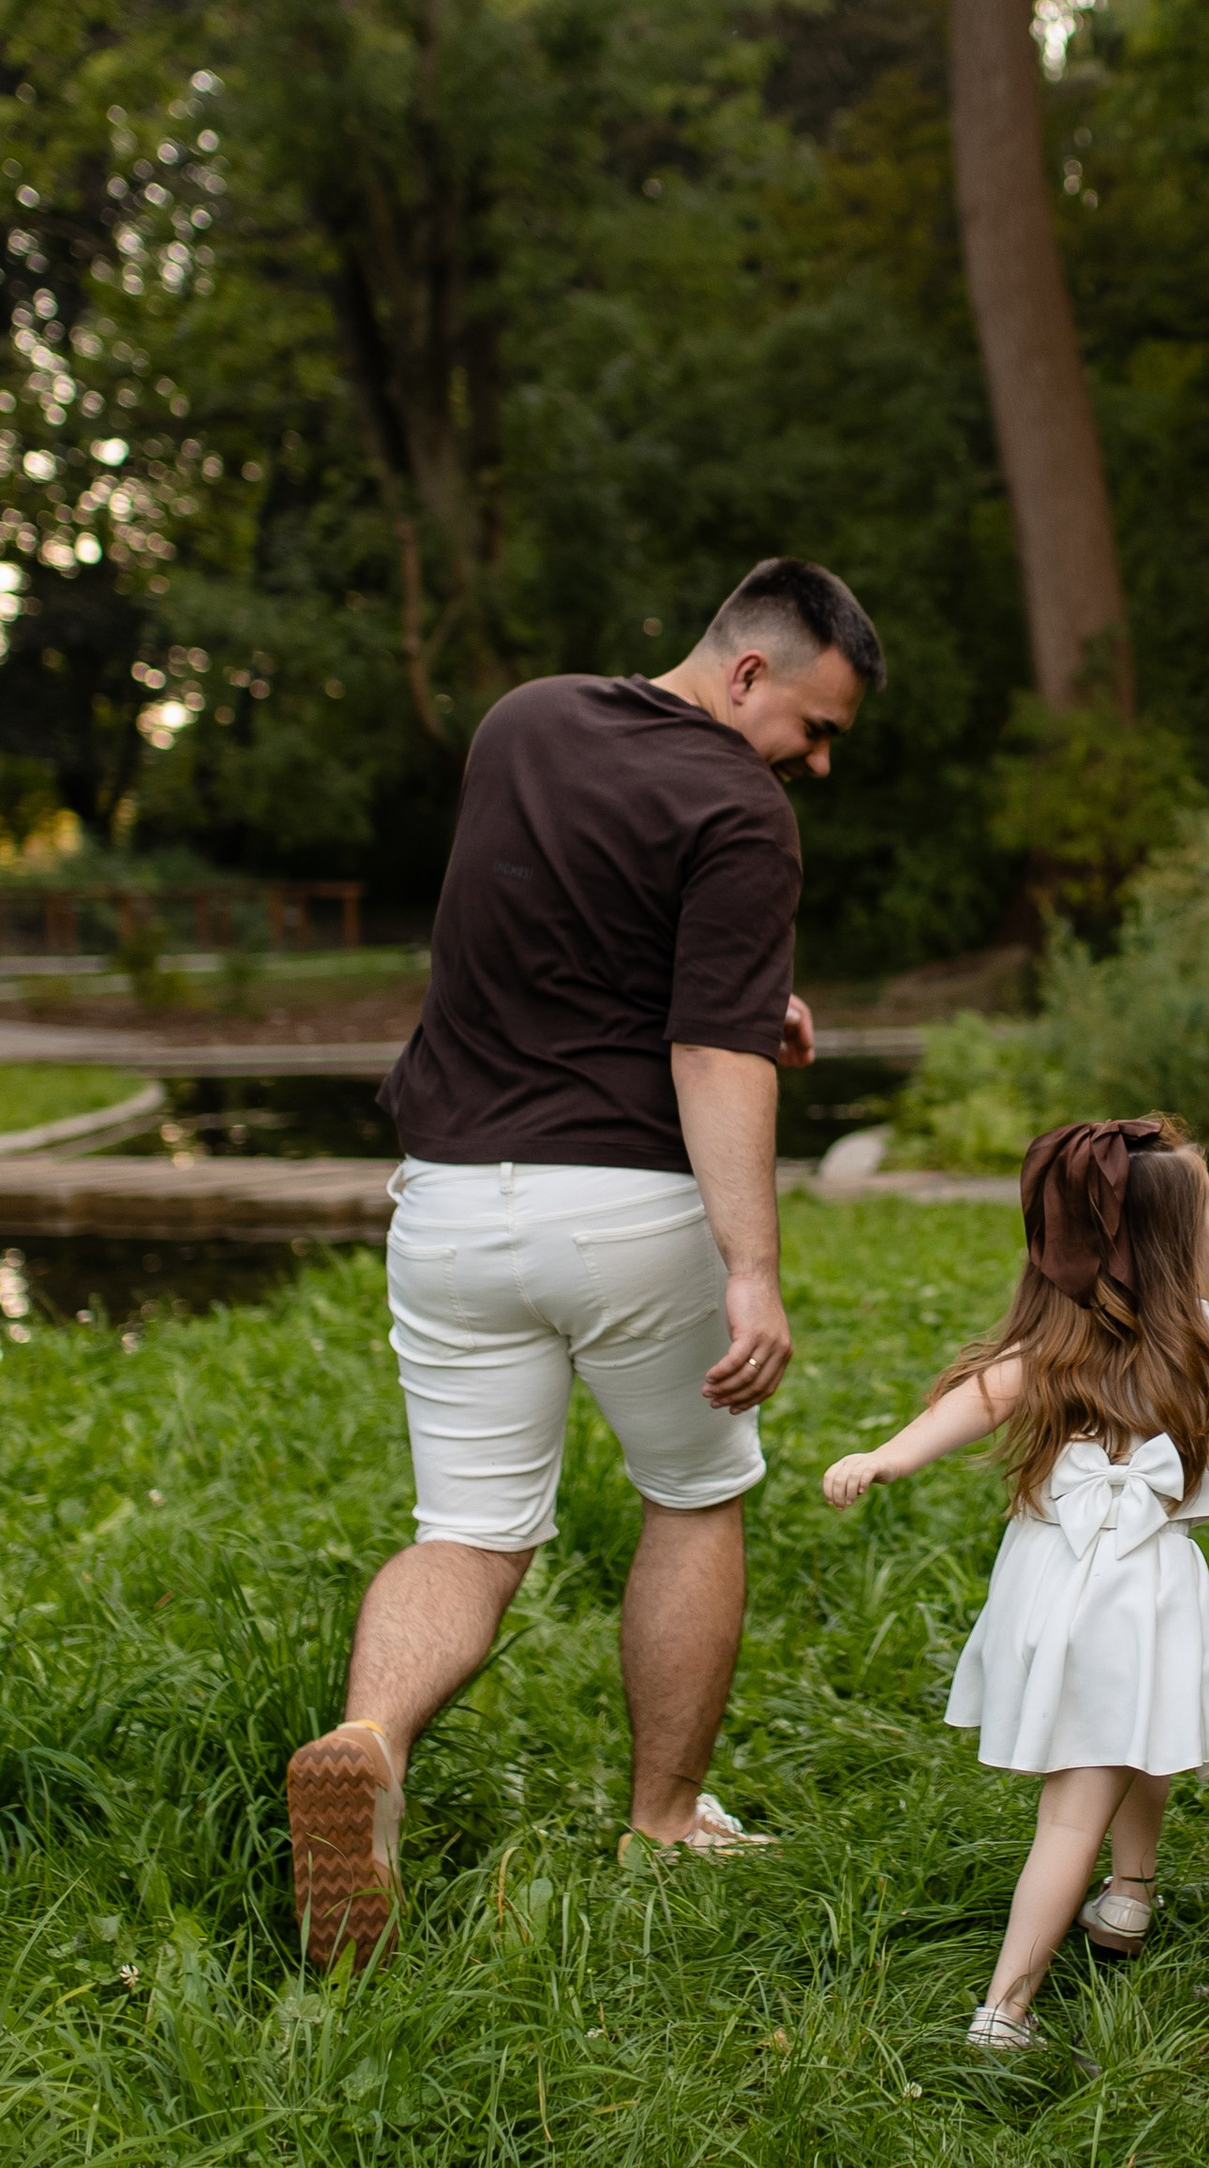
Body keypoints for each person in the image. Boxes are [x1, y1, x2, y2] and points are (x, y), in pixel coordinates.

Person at [287, 557, 884, 1968]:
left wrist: (749, 996)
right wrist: (753, 1265)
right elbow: (708, 1049)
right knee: (693, 1498)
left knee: (471, 1534)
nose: (815, 760)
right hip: (624, 1212)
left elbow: (551, 928)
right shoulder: (741, 810)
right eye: (818, 725)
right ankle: (664, 1821)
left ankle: (368, 1743)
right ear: (748, 676)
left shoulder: (525, 721)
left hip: (448, 1206)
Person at [822, 1116, 1209, 2051]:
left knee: (1150, 1726)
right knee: (1075, 1813)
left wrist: (886, 1457)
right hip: (1136, 1592)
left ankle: (1130, 1898)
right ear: (1174, 1245)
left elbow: (966, 1406)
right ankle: (1004, 2011)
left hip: (1049, 1583)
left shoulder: (1050, 1353)